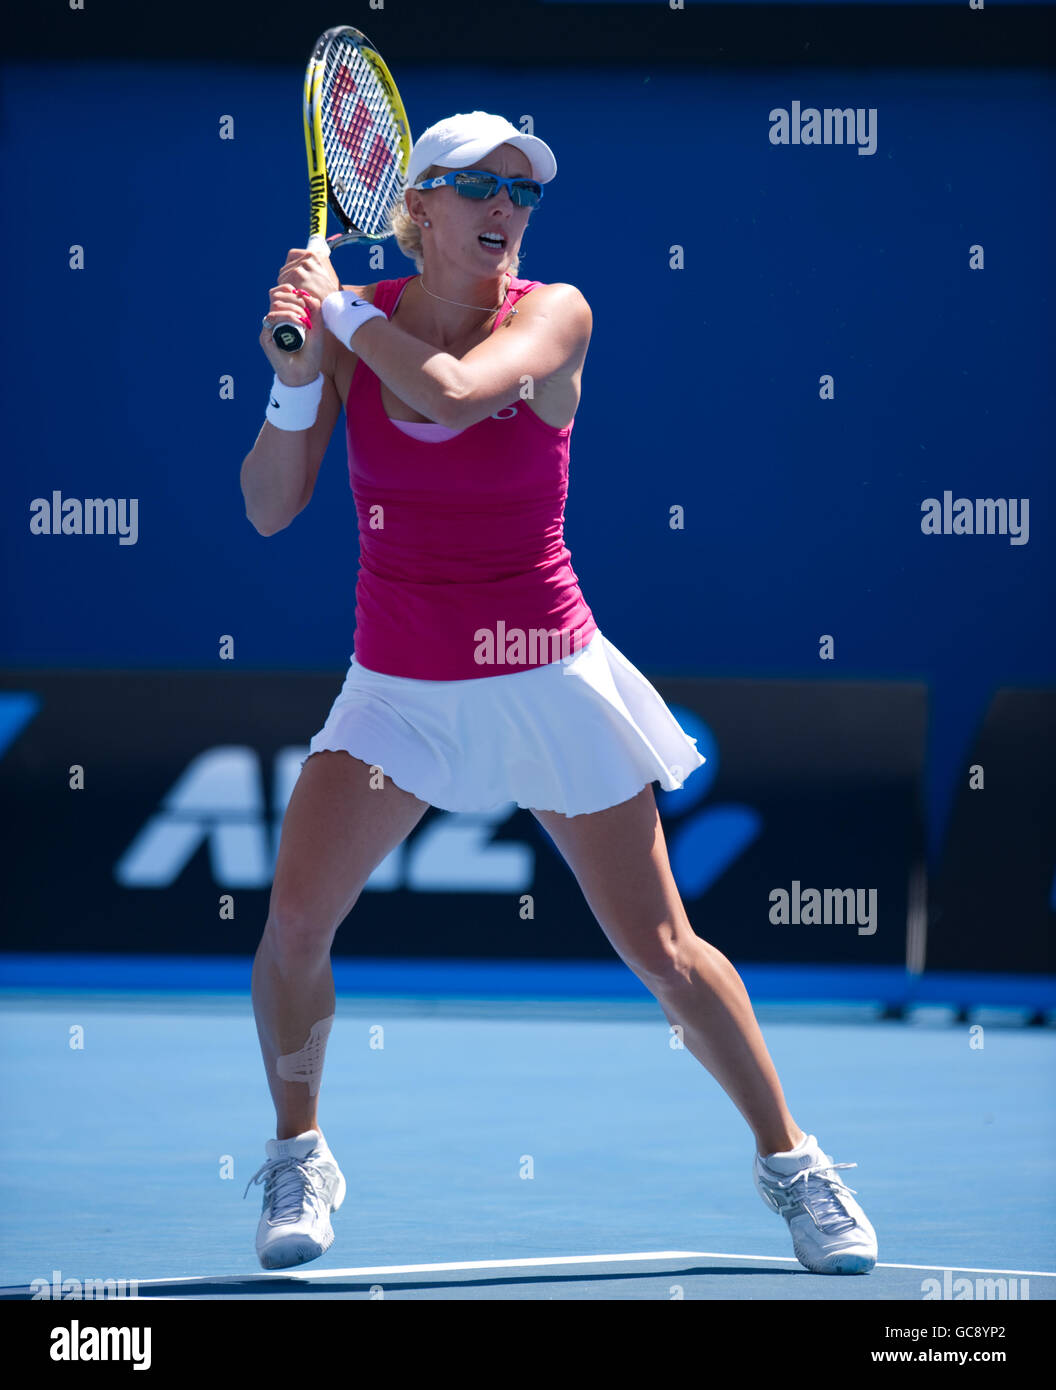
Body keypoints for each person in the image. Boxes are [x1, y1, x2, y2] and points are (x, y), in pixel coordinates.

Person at [239, 111, 877, 1277]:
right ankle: (299, 1151)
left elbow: (459, 390)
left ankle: (795, 1164)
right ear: (417, 205)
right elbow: (270, 506)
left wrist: (331, 317)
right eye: (478, 187)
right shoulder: (349, 328)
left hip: (544, 673)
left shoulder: (552, 313)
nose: (506, 209)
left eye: (523, 193)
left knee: (666, 953)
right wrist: (293, 383)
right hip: (400, 687)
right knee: (291, 926)